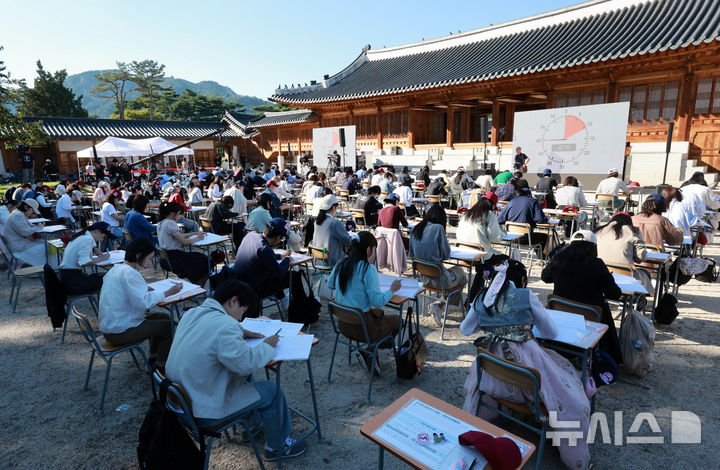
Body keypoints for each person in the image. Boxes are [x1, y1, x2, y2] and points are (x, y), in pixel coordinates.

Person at [460, 264, 591, 470]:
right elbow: (551, 332)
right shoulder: (526, 296)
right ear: (521, 281)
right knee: (567, 384)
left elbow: (466, 329)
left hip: (492, 373)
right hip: (526, 373)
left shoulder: (482, 298)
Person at [165, 280, 307, 461]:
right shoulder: (226, 326)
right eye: (243, 311)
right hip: (201, 412)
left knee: (243, 376)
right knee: (272, 392)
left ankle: (252, 426)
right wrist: (268, 345)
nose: (240, 318)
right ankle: (277, 446)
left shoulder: (193, 312)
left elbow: (212, 333)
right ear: (233, 301)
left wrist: (240, 331)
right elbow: (247, 362)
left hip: (180, 403)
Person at [541, 230, 623, 364]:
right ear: (593, 247)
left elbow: (545, 277)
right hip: (589, 320)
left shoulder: (559, 259)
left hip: (562, 316)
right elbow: (614, 294)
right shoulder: (597, 264)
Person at [328, 232, 402, 373]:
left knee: (378, 315)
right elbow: (378, 301)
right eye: (374, 249)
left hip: (343, 325)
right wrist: (392, 290)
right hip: (363, 328)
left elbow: (331, 285)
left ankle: (370, 351)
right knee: (398, 321)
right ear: (368, 250)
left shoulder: (340, 264)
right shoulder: (368, 269)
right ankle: (370, 350)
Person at [99, 239, 181, 366]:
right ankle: (161, 366)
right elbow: (143, 304)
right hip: (120, 331)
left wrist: (142, 288)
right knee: (167, 327)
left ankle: (153, 358)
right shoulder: (130, 274)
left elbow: (128, 293)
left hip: (113, 325)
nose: (149, 264)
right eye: (149, 258)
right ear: (138, 255)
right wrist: (167, 293)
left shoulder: (117, 269)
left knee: (163, 317)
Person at [409, 205, 467, 325]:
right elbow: (446, 255)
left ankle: (440, 305)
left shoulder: (415, 229)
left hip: (422, 279)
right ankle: (440, 306)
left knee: (454, 274)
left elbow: (411, 255)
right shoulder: (438, 228)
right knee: (462, 274)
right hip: (439, 280)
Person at [232, 218, 291, 317]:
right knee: (292, 277)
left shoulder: (251, 235)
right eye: (282, 238)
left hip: (238, 281)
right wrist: (287, 260)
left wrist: (279, 256)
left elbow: (260, 256)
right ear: (277, 237)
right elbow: (278, 273)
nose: (281, 241)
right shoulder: (265, 249)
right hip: (252, 290)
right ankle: (289, 305)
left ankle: (283, 299)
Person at [595, 212, 652, 293]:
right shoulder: (633, 231)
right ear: (629, 222)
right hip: (625, 277)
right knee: (645, 274)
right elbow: (640, 258)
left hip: (600, 274)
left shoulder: (598, 230)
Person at [157, 201, 210, 286]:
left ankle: (198, 283)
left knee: (199, 257)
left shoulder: (162, 222)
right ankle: (199, 285)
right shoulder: (170, 223)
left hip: (166, 258)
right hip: (174, 258)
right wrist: (198, 238)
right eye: (180, 214)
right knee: (206, 260)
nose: (181, 216)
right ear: (173, 213)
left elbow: (180, 236)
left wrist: (195, 233)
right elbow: (184, 242)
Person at [58, 222, 114, 295]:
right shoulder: (87, 239)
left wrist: (98, 252)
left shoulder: (83, 236)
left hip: (68, 277)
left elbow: (89, 249)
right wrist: (103, 258)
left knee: (105, 276)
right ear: (97, 231)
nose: (102, 240)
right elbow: (84, 262)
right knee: (111, 278)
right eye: (103, 236)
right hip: (73, 282)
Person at [456, 192, 504, 262]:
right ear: (492, 205)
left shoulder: (466, 214)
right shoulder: (489, 215)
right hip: (480, 256)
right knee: (509, 261)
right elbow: (495, 238)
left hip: (463, 253)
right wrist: (502, 234)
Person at [2, 200, 45, 266]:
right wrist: (38, 227)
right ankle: (42, 267)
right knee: (44, 247)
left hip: (18, 243)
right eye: (32, 211)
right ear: (26, 207)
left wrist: (38, 227)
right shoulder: (17, 215)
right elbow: (25, 232)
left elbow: (28, 226)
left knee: (45, 244)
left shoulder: (18, 213)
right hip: (17, 246)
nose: (33, 213)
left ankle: (43, 267)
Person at [312, 194, 351, 266]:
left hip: (318, 259)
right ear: (333, 207)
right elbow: (348, 241)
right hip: (332, 261)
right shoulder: (335, 223)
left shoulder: (317, 221)